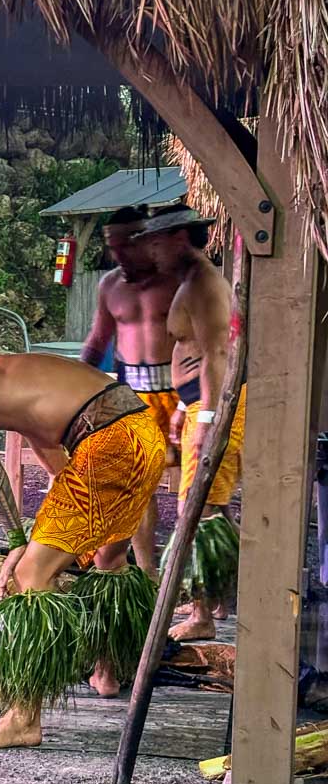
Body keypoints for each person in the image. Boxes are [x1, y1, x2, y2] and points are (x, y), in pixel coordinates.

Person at [0, 314, 166, 748]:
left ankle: (24, 719)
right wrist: (59, 525)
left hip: (108, 446)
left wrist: (17, 543)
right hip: (142, 433)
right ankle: (108, 670)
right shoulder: (13, 372)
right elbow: (52, 448)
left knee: (29, 575)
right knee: (109, 558)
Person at [140, 203, 245, 642]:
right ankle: (222, 597)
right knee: (214, 507)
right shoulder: (193, 282)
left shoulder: (203, 283)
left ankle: (202, 615)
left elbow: (219, 353)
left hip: (216, 406)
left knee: (195, 508)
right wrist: (185, 407)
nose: (151, 252)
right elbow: (198, 353)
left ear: (179, 239)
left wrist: (206, 418)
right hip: (201, 402)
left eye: (156, 243)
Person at [80, 205, 180, 578]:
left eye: (128, 242)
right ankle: (148, 572)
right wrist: (77, 386)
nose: (119, 252)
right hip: (132, 397)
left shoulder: (179, 280)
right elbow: (97, 341)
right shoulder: (109, 285)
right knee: (137, 488)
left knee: (200, 491)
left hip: (182, 393)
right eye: (113, 245)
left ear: (148, 240)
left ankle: (201, 584)